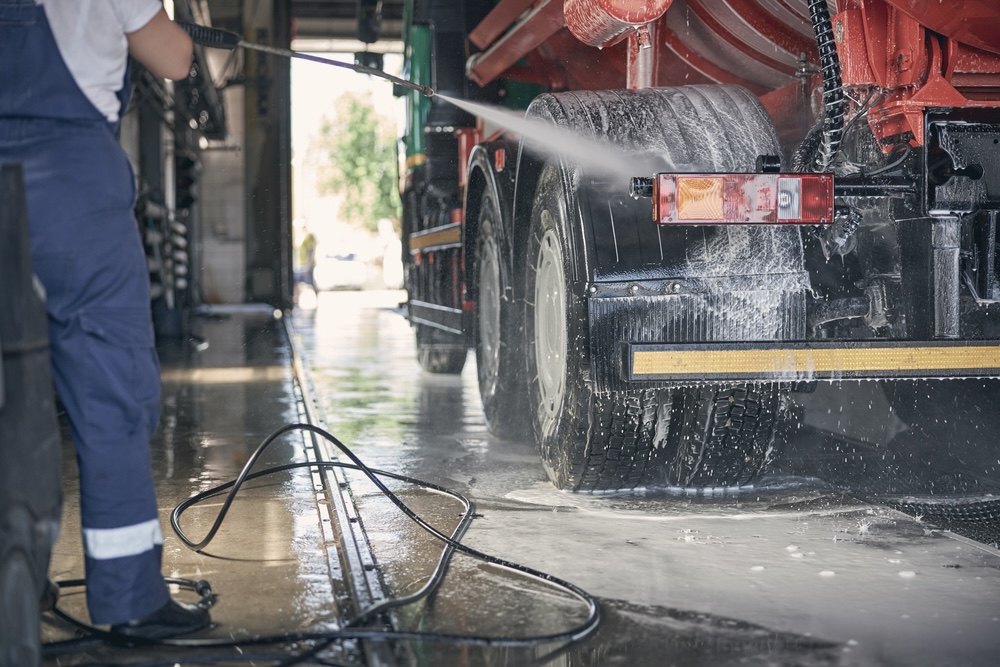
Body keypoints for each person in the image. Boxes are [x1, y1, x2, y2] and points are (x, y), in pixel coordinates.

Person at [0, 0, 209, 639]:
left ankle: (17, 577)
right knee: (107, 389)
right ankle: (127, 599)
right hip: (71, 185)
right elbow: (173, 57)